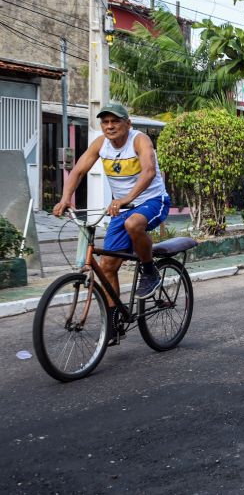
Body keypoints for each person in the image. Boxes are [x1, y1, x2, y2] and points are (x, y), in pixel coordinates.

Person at [53, 103, 170, 345]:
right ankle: (114, 324)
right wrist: (65, 198)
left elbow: (148, 172)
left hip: (152, 201)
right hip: (121, 208)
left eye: (115, 121)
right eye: (105, 122)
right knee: (107, 267)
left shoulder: (140, 141)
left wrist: (127, 198)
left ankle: (149, 271)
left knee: (133, 224)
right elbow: (77, 172)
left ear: (128, 124)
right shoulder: (100, 144)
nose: (109, 126)